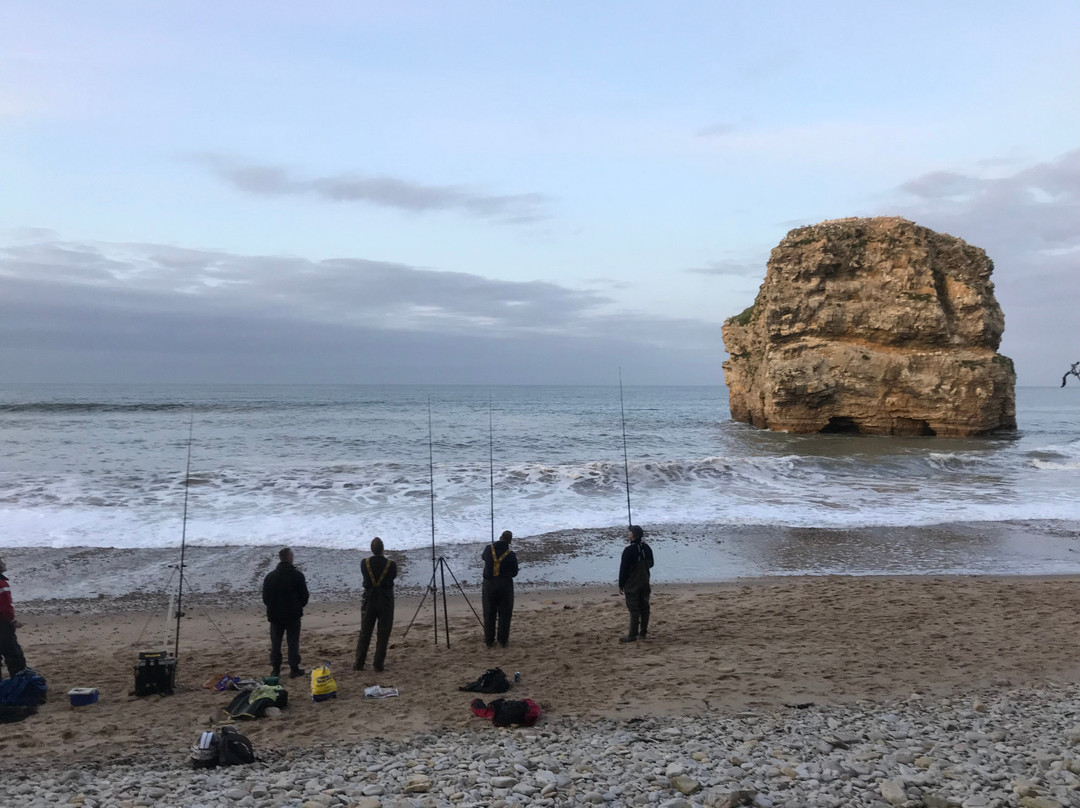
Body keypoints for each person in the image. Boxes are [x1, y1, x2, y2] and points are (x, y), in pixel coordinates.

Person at [261, 547, 309, 678]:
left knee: (276, 642)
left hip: (275, 615)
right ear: (290, 558)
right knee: (293, 642)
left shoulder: (270, 577)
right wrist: (298, 607)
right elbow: (305, 596)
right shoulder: (297, 576)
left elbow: (265, 598)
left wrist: (272, 607)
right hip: (293, 615)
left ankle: (275, 669)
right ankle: (294, 668)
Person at [354, 537, 397, 672]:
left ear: (371, 549)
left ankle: (359, 663)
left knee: (365, 633)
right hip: (385, 600)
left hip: (369, 600)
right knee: (383, 633)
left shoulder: (364, 563)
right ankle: (378, 664)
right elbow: (392, 578)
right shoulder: (391, 565)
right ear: (383, 549)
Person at [481, 529, 518, 648]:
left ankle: (489, 640)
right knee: (505, 614)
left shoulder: (488, 549)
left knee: (489, 613)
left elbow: (483, 558)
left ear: (500, 537)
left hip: (489, 584)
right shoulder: (511, 555)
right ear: (509, 541)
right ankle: (502, 640)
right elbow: (514, 573)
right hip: (505, 586)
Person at [618, 525, 653, 643]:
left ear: (633, 536)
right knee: (644, 608)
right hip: (645, 582)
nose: (629, 535)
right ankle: (642, 633)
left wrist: (621, 584)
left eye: (631, 533)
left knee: (634, 610)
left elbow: (624, 569)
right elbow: (651, 563)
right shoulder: (646, 548)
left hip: (632, 584)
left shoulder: (628, 551)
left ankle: (632, 635)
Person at [0, 556, 27, 679]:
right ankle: (18, 682)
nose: (4, 563)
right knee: (13, 654)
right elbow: (5, 606)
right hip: (2, 623)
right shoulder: (2, 584)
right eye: (1, 562)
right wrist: (13, 621)